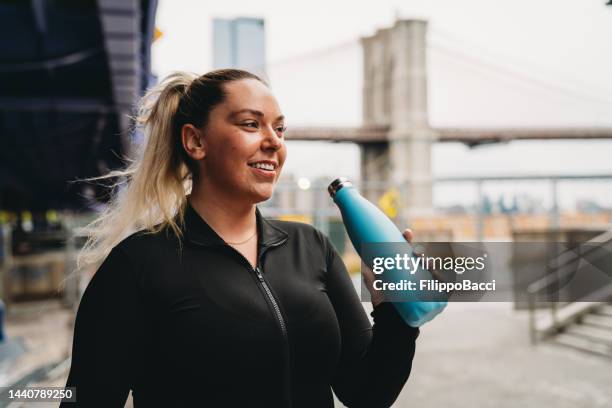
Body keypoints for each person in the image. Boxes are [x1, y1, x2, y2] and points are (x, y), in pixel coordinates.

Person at [60, 69, 420, 408]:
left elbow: (366, 392)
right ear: (195, 140)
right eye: (251, 124)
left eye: (280, 130)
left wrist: (395, 313)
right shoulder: (137, 266)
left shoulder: (310, 247)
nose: (273, 142)